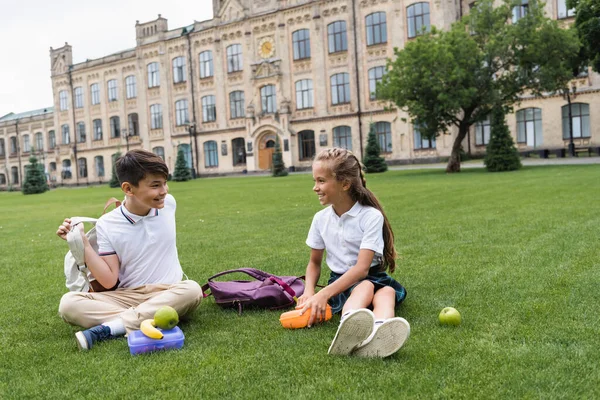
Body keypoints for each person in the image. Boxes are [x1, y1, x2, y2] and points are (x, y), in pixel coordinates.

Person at [56, 149, 203, 351]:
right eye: (155, 185)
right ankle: (152, 317)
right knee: (68, 304)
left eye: (165, 182)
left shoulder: (168, 204)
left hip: (169, 290)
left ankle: (110, 328)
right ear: (128, 188)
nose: (164, 191)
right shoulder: (107, 224)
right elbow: (108, 281)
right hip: (126, 296)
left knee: (193, 289)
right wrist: (83, 242)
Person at [297, 148, 409, 358]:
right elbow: (314, 263)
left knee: (387, 292)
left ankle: (379, 332)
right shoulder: (320, 219)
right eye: (315, 181)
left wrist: (324, 294)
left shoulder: (370, 216)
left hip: (371, 276)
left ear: (345, 184)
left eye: (321, 181)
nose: (315, 188)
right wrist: (309, 291)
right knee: (366, 288)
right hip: (340, 282)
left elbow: (362, 269)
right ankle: (348, 329)